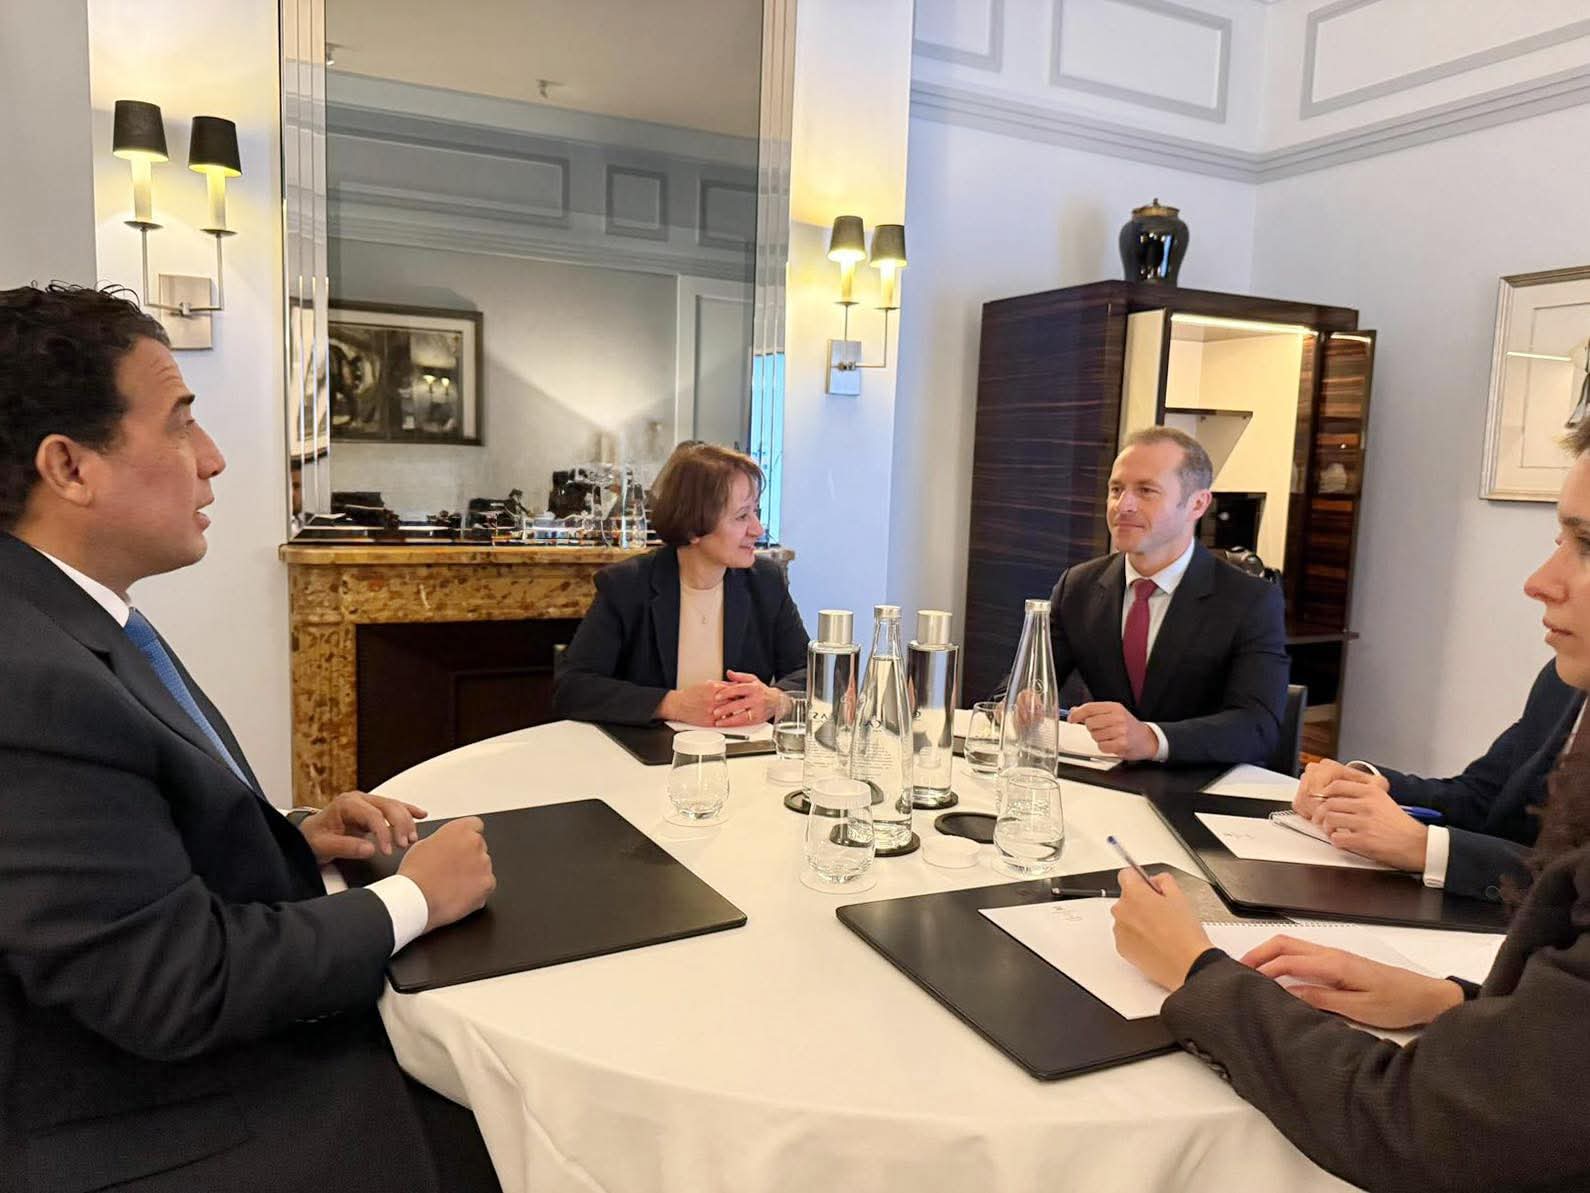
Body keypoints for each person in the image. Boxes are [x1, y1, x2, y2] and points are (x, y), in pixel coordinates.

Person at [0, 284, 499, 1193]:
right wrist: (416, 899)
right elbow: (173, 985)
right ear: (69, 466)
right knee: (519, 1120)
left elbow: (120, 853)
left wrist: (292, 837)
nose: (215, 458)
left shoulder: (67, 618)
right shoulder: (29, 679)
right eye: (181, 423)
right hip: (154, 1115)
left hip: (162, 1060)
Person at [1109, 423, 1590, 1192]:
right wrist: (1447, 997)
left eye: (1586, 545)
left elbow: (1420, 1126)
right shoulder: (1565, 681)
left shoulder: (1245, 597)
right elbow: (1482, 796)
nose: (1539, 580)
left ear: (1196, 504)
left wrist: (1197, 972)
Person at [1009, 426, 1289, 765]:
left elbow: (1258, 727)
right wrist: (1022, 702)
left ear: (1197, 504)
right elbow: (1020, 685)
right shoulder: (1078, 586)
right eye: (1116, 489)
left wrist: (1152, 739)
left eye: (1146, 491)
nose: (1123, 505)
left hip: (1200, 782)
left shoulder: (1251, 600)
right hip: (1104, 780)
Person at [553, 441, 809, 728]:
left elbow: (811, 672)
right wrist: (673, 704)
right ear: (692, 527)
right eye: (741, 516)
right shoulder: (626, 585)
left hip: (742, 749)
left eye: (755, 512)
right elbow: (572, 688)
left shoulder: (766, 582)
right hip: (645, 751)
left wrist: (777, 700)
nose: (758, 529)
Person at [1290, 662, 1582, 901]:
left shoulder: (1571, 668)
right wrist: (1362, 784)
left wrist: (1426, 847)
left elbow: (1577, 882)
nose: (1545, 611)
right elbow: (1480, 799)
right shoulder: (1561, 679)